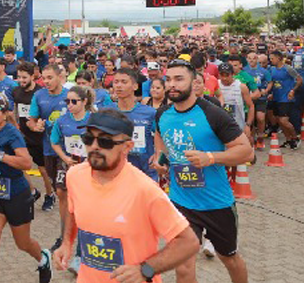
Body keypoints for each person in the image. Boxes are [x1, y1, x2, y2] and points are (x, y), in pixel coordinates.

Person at [55, 109, 199, 282]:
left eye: (105, 141)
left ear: (127, 146)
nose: (94, 146)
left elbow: (188, 242)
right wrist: (66, 243)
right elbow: (73, 210)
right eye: (88, 138)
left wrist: (146, 269)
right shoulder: (75, 176)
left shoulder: (145, 190)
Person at [154, 59, 254, 283]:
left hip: (216, 202)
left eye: (179, 79)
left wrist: (210, 158)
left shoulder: (212, 114)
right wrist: (159, 158)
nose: (172, 85)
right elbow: (159, 135)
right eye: (168, 79)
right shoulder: (162, 114)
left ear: (194, 82)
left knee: (228, 258)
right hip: (181, 201)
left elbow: (246, 152)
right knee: (183, 265)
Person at [0, 95, 52, 283]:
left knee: (22, 243)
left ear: (6, 114)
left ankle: (43, 258)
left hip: (15, 194)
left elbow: (26, 163)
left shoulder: (12, 133)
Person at [28, 64, 68, 219]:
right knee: (55, 182)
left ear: (59, 77)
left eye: (50, 77)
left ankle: (69, 222)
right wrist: (35, 126)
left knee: (63, 188)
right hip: (48, 147)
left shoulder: (69, 96)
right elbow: (31, 121)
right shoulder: (39, 96)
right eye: (44, 78)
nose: (46, 81)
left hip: (68, 150)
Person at [13, 62, 53, 203]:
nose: (21, 80)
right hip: (23, 134)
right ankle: (33, 191)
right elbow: (15, 110)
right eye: (19, 77)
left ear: (32, 76)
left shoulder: (40, 92)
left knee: (43, 170)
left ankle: (50, 195)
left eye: (24, 77)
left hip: (39, 136)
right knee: (19, 164)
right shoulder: (16, 91)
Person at [112, 68, 158, 181]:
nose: (118, 85)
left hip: (145, 172)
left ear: (135, 86)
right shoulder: (108, 112)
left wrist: (158, 154)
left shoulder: (149, 113)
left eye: (124, 82)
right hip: (117, 171)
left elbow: (161, 135)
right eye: (116, 82)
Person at [266, 49, 302, 148]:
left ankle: (295, 137)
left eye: (272, 58)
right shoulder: (272, 69)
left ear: (279, 58)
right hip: (276, 98)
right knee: (279, 120)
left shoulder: (288, 69)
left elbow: (299, 80)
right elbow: (273, 82)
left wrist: (293, 90)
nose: (271, 60)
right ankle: (288, 139)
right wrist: (271, 93)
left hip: (286, 98)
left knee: (283, 120)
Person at [217, 62, 254, 140]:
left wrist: (248, 125)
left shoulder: (241, 87)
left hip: (238, 126)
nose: (224, 78)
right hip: (220, 126)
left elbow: (251, 106)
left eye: (227, 75)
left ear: (233, 74)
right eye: (222, 75)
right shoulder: (216, 85)